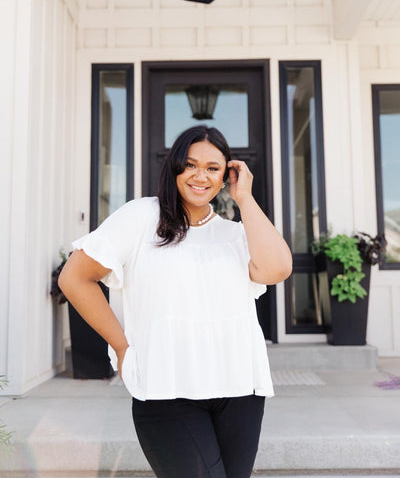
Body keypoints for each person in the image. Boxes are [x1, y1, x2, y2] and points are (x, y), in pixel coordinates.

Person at [59, 125, 292, 478]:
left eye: (213, 168)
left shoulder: (235, 234)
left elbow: (278, 269)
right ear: (174, 168)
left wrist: (244, 197)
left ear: (225, 174)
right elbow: (74, 278)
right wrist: (122, 348)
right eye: (190, 165)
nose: (201, 176)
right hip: (166, 389)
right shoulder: (141, 217)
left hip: (241, 390)